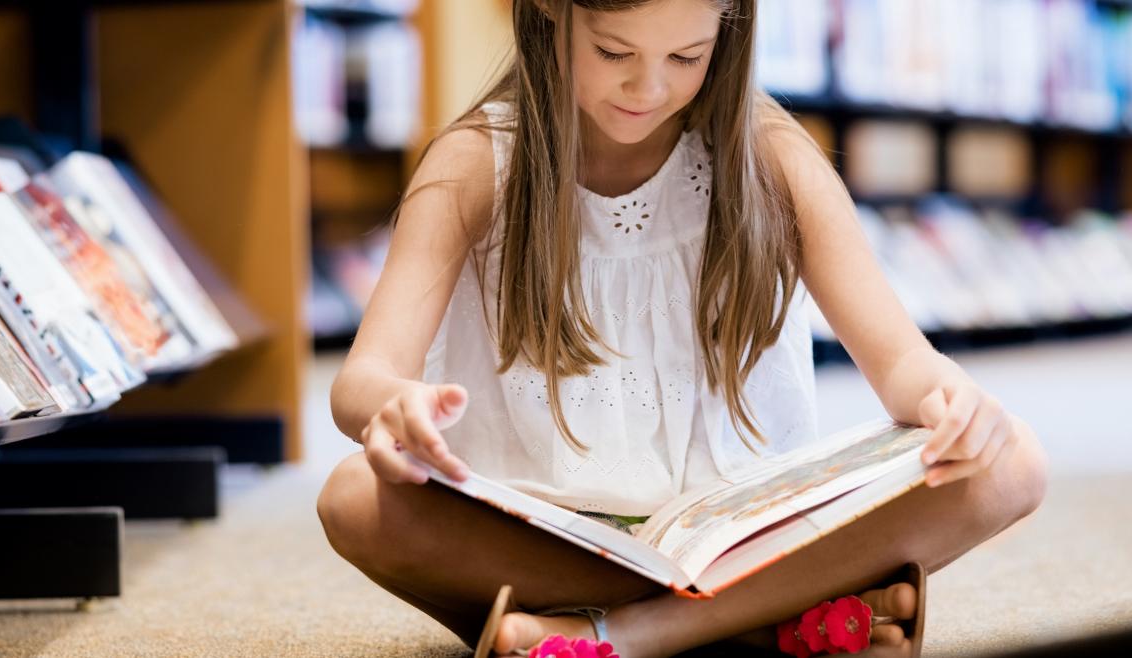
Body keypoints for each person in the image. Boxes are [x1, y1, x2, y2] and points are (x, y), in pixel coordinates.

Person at [317, 1, 1049, 656]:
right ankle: (763, 624)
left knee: (1010, 460)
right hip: (549, 528)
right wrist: (391, 409)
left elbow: (902, 366)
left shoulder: (771, 154)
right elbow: (362, 380)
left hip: (748, 532)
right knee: (354, 498)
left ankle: (629, 634)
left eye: (686, 57)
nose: (649, 88)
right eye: (613, 53)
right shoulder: (476, 160)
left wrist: (948, 402)